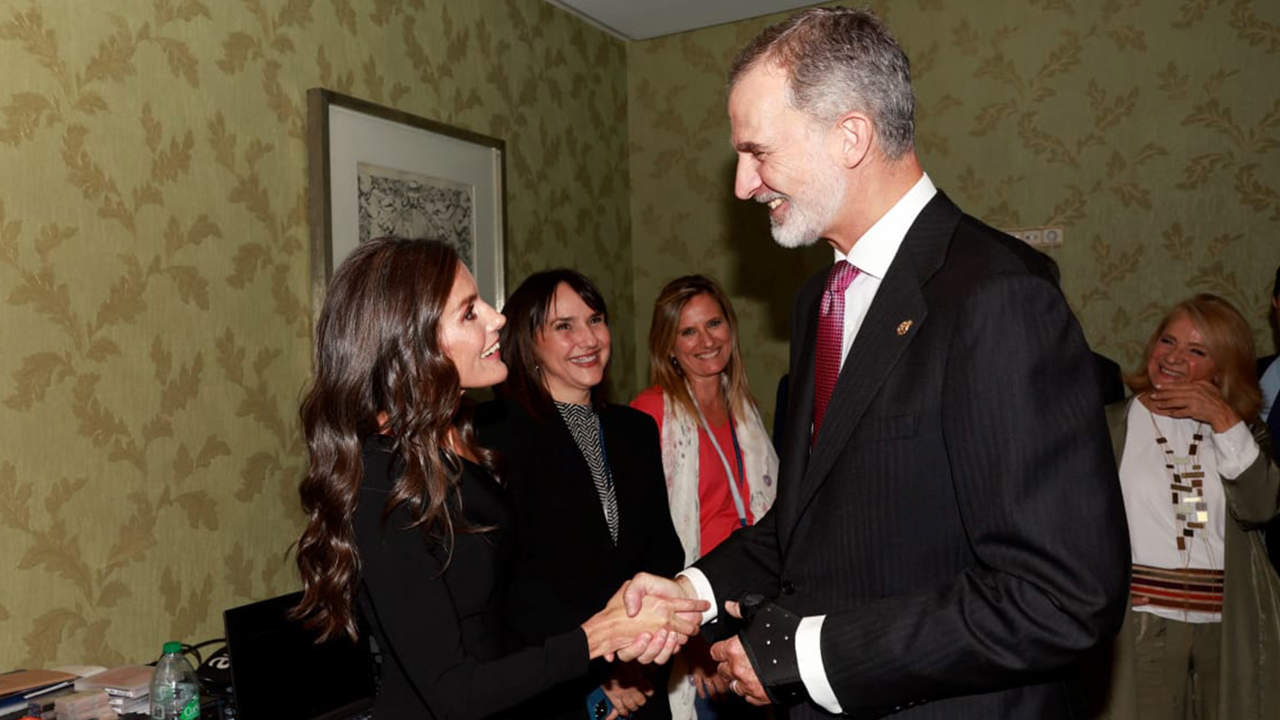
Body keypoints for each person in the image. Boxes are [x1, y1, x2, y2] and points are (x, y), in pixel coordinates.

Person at [622, 7, 1130, 719]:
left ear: (850, 136)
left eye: (757, 151)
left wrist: (808, 655)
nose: (742, 184)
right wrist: (693, 592)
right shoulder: (818, 302)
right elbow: (809, 519)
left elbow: (1059, 596)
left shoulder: (999, 297)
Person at [291, 238, 705, 719]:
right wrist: (598, 638)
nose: (498, 318)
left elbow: (497, 625)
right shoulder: (382, 480)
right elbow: (452, 690)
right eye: (470, 313)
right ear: (414, 342)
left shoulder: (458, 441)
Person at [476, 269, 686, 720]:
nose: (588, 339)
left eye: (595, 319)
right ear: (529, 344)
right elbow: (510, 585)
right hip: (553, 683)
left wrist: (637, 655)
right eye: (563, 326)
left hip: (641, 673)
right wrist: (595, 671)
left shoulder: (635, 430)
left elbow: (663, 552)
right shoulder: (496, 436)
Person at [1087, 293, 1280, 719]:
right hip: (1140, 626)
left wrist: (1225, 421)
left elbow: (1261, 507)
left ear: (1224, 365)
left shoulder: (1243, 434)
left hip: (1228, 629)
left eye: (1197, 351)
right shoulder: (1106, 426)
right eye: (1167, 341)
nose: (1173, 358)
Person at [631, 275, 779, 720]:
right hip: (697, 616)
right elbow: (648, 545)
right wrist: (696, 646)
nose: (706, 341)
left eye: (714, 324)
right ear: (668, 346)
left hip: (755, 607)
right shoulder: (651, 412)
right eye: (688, 331)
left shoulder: (745, 409)